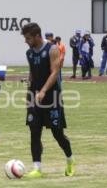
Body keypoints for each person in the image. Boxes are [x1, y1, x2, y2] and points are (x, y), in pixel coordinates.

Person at [21, 23, 74, 178]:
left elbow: (55, 72)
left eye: (28, 38)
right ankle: (37, 168)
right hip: (35, 97)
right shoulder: (29, 53)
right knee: (34, 132)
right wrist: (28, 96)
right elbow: (32, 74)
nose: (26, 41)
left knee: (58, 134)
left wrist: (43, 91)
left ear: (37, 36)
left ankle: (70, 160)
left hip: (52, 97)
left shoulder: (52, 49)